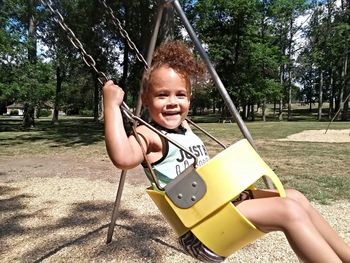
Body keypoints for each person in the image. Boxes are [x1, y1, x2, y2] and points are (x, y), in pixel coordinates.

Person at [103, 41, 350, 263]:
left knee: (295, 197)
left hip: (219, 211)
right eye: (161, 95)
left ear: (189, 98)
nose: (172, 102)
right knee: (289, 211)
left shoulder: (184, 127)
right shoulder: (149, 135)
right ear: (146, 100)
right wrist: (112, 105)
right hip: (200, 231)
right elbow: (123, 158)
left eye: (180, 95)